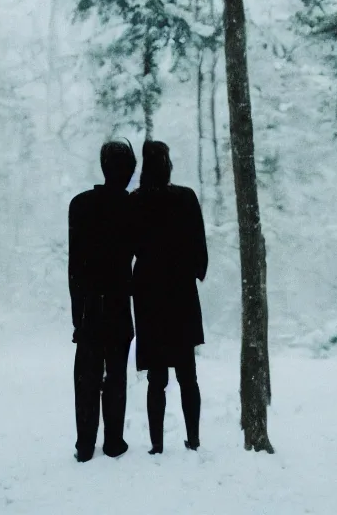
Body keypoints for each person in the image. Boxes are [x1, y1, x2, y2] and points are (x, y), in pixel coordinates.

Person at [130, 140, 209, 454]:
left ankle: (157, 444)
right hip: (180, 291)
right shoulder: (185, 198)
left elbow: (129, 245)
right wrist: (191, 269)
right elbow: (199, 248)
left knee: (156, 377)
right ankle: (193, 439)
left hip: (149, 291)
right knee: (187, 372)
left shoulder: (135, 202)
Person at [68, 140, 137, 463]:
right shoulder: (133, 208)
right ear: (130, 171)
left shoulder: (80, 205)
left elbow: (74, 266)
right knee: (116, 375)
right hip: (120, 304)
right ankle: (113, 441)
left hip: (90, 306)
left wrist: (77, 314)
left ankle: (85, 444)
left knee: (87, 376)